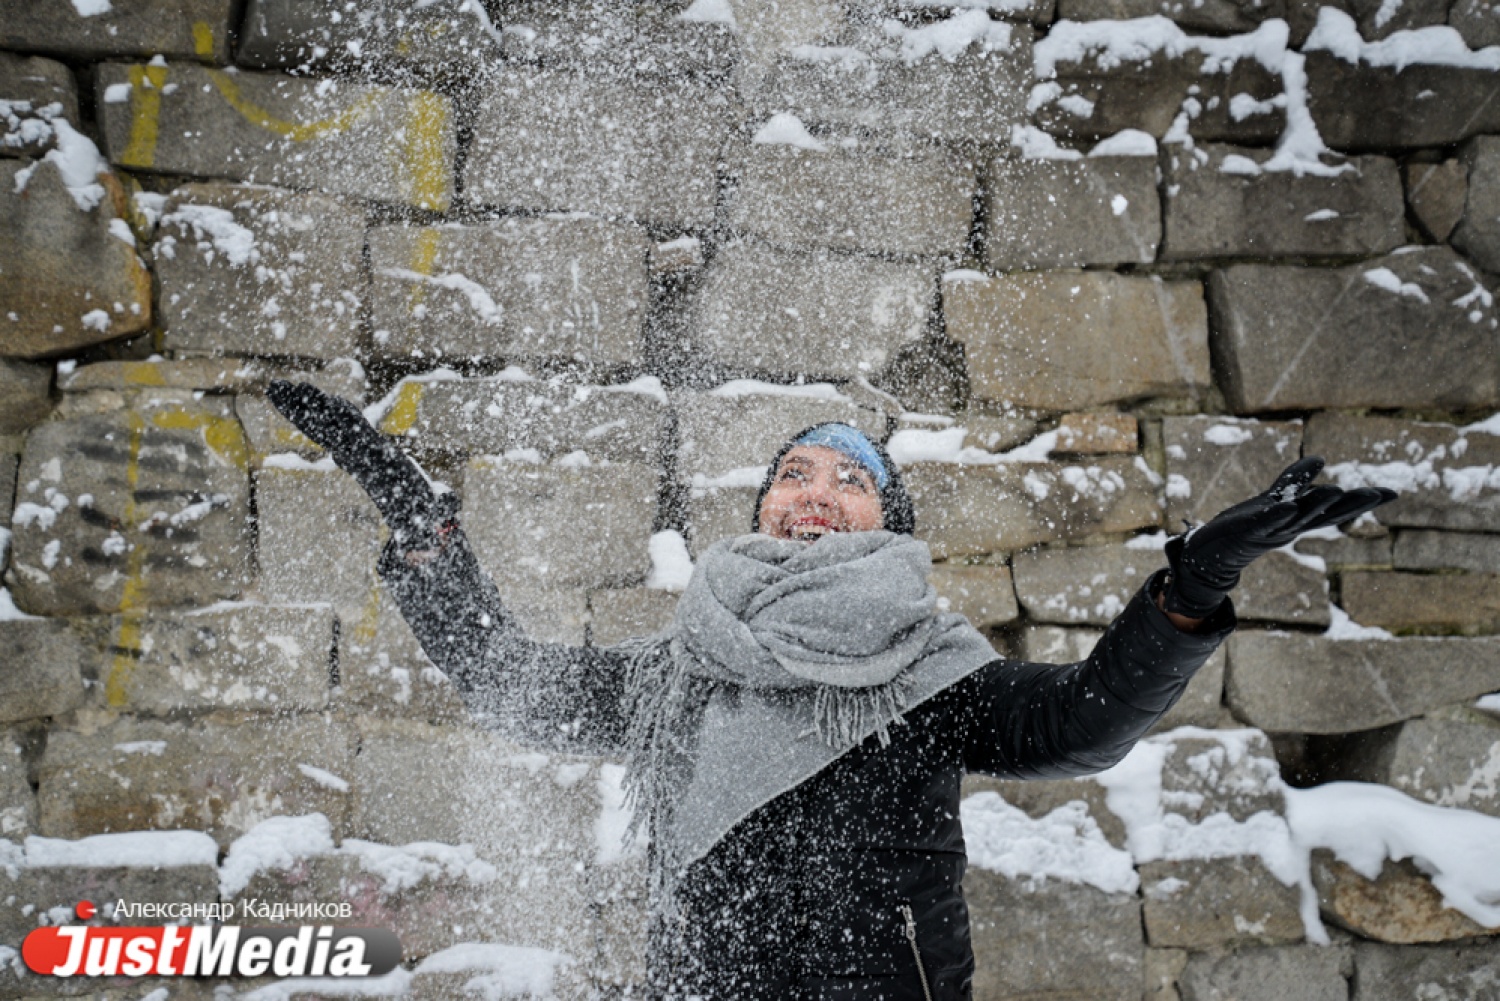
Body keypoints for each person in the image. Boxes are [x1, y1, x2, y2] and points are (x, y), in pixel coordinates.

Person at [266, 382, 1393, 1001]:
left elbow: (1082, 725)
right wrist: (426, 539)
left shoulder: (930, 668)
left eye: (852, 479)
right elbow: (514, 687)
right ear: (763, 509)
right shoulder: (679, 669)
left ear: (886, 526)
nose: (817, 492)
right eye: (794, 473)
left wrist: (1192, 584)